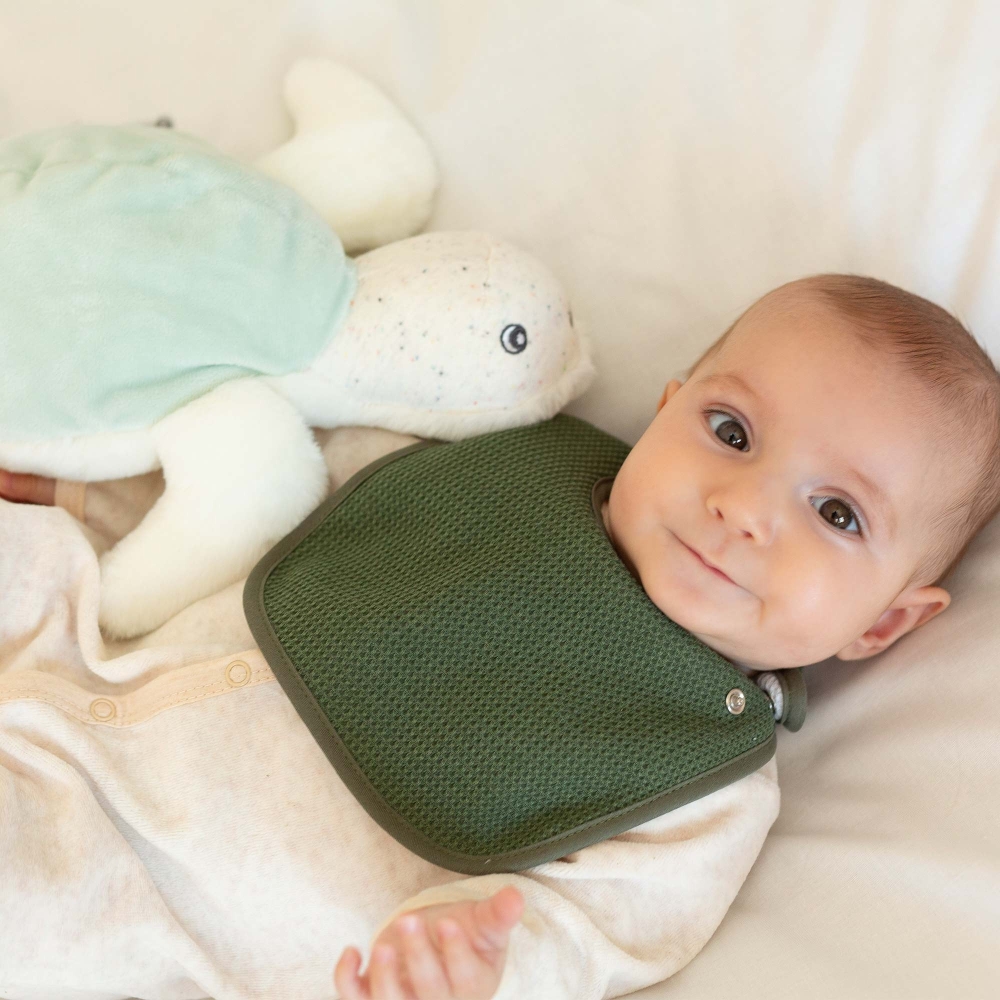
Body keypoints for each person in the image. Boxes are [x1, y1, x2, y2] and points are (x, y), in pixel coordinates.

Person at [2, 273, 997, 1000]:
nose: (745, 509)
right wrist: (85, 491)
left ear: (885, 622)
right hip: (72, 651)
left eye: (836, 513)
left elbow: (593, 933)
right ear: (664, 412)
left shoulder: (697, 786)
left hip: (155, 891)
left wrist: (469, 965)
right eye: (731, 432)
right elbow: (268, 491)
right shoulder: (501, 466)